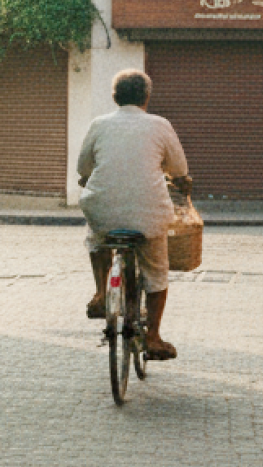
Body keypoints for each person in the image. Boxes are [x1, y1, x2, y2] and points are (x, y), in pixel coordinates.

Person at [75, 69, 189, 361]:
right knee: (156, 271)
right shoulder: (160, 125)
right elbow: (179, 169)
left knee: (97, 238)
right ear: (146, 97)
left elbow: (83, 168)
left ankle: (101, 294)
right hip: (149, 215)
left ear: (115, 97)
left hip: (103, 210)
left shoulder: (99, 125)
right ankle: (152, 337)